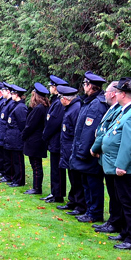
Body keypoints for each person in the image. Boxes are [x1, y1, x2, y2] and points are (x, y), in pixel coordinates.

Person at [96, 77, 131, 250]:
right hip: (128, 166)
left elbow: (130, 142)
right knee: (123, 200)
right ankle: (126, 233)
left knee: (130, 202)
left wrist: (121, 165)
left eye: (118, 92)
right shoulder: (126, 110)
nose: (115, 94)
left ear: (124, 94)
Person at [70, 71, 109, 223]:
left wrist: (83, 152)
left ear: (91, 87)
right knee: (87, 183)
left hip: (90, 153)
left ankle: (95, 213)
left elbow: (89, 131)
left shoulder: (96, 105)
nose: (83, 87)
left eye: (85, 84)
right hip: (85, 151)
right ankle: (90, 210)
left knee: (93, 184)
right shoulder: (89, 102)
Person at [90, 81, 121, 234]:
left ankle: (115, 222)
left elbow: (104, 133)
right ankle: (112, 221)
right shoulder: (112, 109)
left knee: (116, 194)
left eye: (106, 92)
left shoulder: (119, 110)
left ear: (113, 93)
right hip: (105, 156)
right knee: (112, 192)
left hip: (112, 158)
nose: (104, 95)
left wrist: (95, 148)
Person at [55, 85, 86, 216]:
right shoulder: (70, 108)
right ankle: (72, 201)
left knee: (76, 178)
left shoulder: (75, 109)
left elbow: (76, 132)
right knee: (71, 176)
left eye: (60, 97)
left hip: (72, 148)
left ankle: (80, 205)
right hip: (67, 147)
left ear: (65, 99)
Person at [41, 75, 69, 203]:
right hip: (54, 140)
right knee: (54, 168)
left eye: (52, 87)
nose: (50, 89)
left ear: (56, 88)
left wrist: (45, 135)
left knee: (57, 169)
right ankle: (54, 192)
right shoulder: (56, 101)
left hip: (56, 140)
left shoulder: (58, 103)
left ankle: (57, 194)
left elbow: (53, 122)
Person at [22, 83, 49, 195]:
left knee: (36, 165)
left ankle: (37, 188)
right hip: (37, 140)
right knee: (36, 164)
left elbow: (30, 125)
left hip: (35, 140)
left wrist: (23, 135)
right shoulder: (43, 107)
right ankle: (36, 187)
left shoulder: (39, 109)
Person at [3, 84, 27, 187]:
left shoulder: (21, 107)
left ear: (16, 95)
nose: (11, 95)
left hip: (17, 138)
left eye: (12, 93)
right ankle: (15, 179)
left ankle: (19, 180)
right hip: (12, 138)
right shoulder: (15, 106)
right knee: (14, 160)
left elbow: (22, 124)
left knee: (18, 161)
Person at [0, 84, 17, 183]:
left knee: (8, 157)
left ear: (8, 91)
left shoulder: (11, 104)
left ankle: (8, 175)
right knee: (5, 155)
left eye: (3, 91)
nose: (2, 93)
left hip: (8, 133)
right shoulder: (6, 103)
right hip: (3, 132)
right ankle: (5, 174)